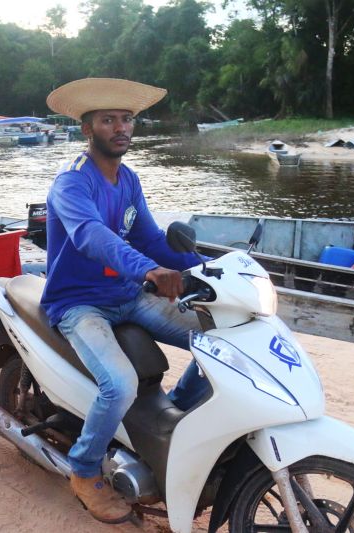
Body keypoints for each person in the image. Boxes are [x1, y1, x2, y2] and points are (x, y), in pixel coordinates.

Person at [41, 78, 210, 524]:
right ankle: (82, 470)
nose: (121, 128)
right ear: (87, 129)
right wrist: (148, 271)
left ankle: (178, 417)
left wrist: (208, 265)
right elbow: (91, 236)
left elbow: (151, 237)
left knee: (220, 340)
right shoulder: (72, 183)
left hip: (128, 295)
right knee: (120, 385)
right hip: (79, 303)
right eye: (108, 120)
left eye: (127, 119)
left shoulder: (129, 179)